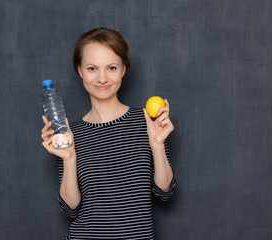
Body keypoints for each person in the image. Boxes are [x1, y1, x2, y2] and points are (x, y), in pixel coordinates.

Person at [41, 27, 176, 240]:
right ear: (80, 70)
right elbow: (71, 209)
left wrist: (157, 145)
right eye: (92, 68)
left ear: (123, 69)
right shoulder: (70, 133)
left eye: (111, 68)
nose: (102, 79)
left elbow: (164, 193)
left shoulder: (147, 123)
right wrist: (69, 158)